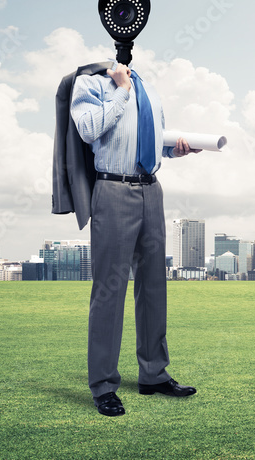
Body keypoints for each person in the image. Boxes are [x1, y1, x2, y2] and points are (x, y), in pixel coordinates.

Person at [70, 61, 201, 417]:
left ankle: (154, 374)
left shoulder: (150, 89)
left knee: (154, 286)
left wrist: (176, 149)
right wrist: (121, 89)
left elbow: (152, 141)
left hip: (151, 191)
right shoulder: (91, 83)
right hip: (112, 188)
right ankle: (103, 386)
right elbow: (87, 128)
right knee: (110, 289)